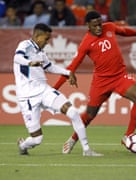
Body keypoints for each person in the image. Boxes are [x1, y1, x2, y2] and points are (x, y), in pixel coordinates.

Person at [53, 11, 136, 154]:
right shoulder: (86, 43)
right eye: (95, 25)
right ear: (87, 26)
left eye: (100, 23)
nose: (99, 27)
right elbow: (71, 68)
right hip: (101, 82)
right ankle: (73, 139)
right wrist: (54, 89)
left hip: (120, 76)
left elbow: (124, 31)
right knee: (90, 114)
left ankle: (127, 136)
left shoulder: (109, 27)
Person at [14, 23, 102, 157]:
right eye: (46, 39)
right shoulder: (25, 45)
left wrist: (68, 73)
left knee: (73, 112)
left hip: (44, 90)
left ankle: (86, 149)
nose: (47, 42)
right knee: (37, 139)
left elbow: (50, 67)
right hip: (27, 97)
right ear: (37, 36)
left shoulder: (41, 53)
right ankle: (23, 145)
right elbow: (17, 58)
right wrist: (29, 62)